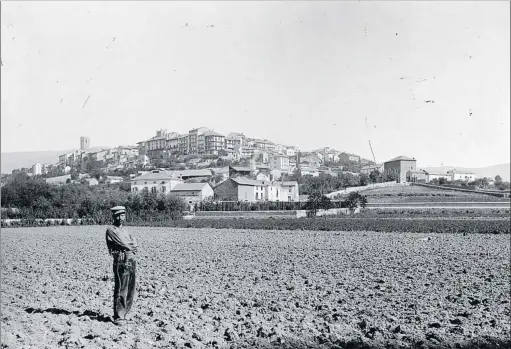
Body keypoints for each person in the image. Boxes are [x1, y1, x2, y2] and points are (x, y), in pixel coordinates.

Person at [105, 206, 139, 325]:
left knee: (131, 288)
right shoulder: (111, 229)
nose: (120, 218)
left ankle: (126, 313)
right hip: (121, 260)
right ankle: (119, 316)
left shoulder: (126, 231)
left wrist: (130, 245)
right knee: (121, 288)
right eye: (118, 215)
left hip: (131, 259)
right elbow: (124, 243)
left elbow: (135, 243)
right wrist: (129, 245)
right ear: (113, 216)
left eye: (122, 215)